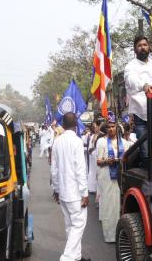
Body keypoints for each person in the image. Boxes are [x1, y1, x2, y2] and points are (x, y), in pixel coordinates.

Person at [50, 112, 90, 261]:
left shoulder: (57, 142)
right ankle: (67, 258)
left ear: (64, 125)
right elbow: (80, 169)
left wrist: (56, 190)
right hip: (75, 194)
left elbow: (53, 169)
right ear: (75, 125)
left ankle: (77, 257)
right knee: (78, 226)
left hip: (63, 193)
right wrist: (84, 193)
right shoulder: (77, 141)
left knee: (70, 227)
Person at [124, 35, 152, 167]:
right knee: (146, 153)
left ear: (149, 47)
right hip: (141, 115)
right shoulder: (130, 66)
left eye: (145, 45)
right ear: (135, 49)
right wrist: (144, 86)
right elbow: (131, 80)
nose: (143, 47)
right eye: (139, 45)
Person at [96, 113, 129, 242]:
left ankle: (119, 234)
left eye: (113, 126)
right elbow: (98, 161)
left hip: (120, 178)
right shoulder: (101, 142)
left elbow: (129, 158)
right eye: (108, 127)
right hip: (106, 177)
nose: (111, 129)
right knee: (108, 206)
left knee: (118, 206)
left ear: (117, 128)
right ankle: (109, 235)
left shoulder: (125, 143)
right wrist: (106, 161)